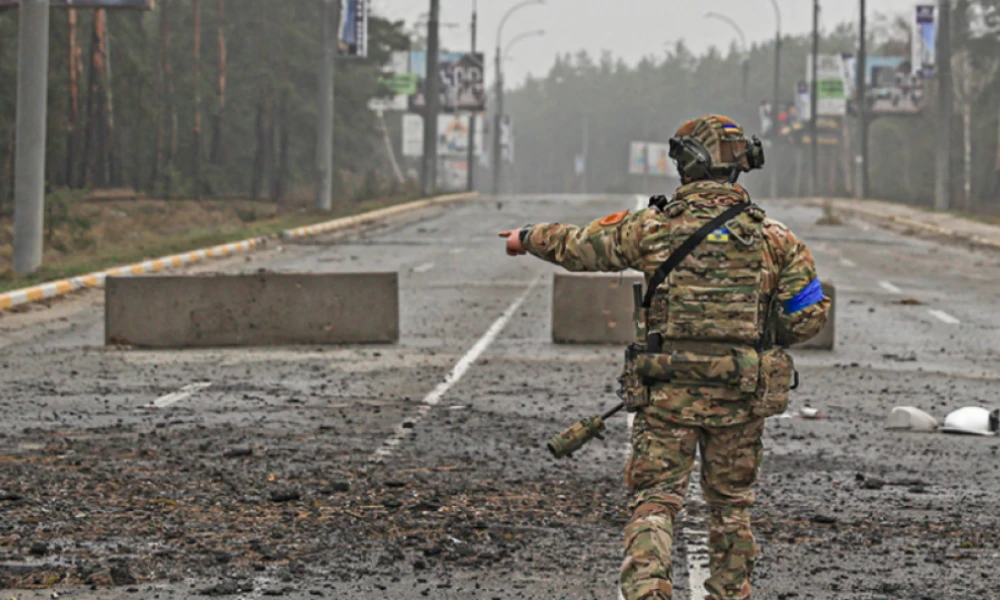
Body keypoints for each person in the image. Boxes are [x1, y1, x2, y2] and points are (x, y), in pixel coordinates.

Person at [499, 115, 830, 600]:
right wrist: (756, 336)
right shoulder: (776, 239)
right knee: (732, 507)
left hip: (666, 394)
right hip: (739, 397)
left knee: (654, 502)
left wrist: (526, 238)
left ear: (686, 163)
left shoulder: (652, 228)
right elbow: (809, 316)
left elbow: (580, 247)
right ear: (739, 167)